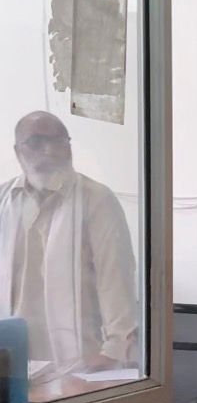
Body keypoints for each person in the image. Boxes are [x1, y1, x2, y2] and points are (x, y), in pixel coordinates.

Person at [0, 111, 137, 373]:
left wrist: (115, 351)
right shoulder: (4, 200)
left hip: (80, 362)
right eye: (36, 142)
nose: (49, 150)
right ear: (17, 151)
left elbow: (116, 278)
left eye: (59, 141)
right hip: (12, 361)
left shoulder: (96, 199)